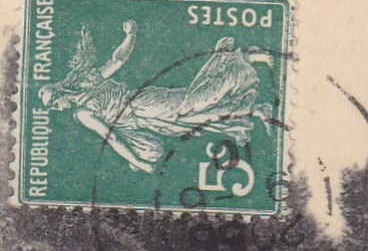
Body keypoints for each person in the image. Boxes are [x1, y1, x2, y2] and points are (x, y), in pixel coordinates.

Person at [40, 23, 275, 174]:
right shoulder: (82, 104)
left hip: (143, 104)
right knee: (195, 119)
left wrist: (130, 36)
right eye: (52, 108)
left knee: (193, 104)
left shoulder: (85, 103)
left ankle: (244, 58)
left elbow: (117, 60)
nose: (56, 109)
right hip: (144, 122)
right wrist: (138, 159)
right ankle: (256, 109)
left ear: (60, 92)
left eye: (53, 103)